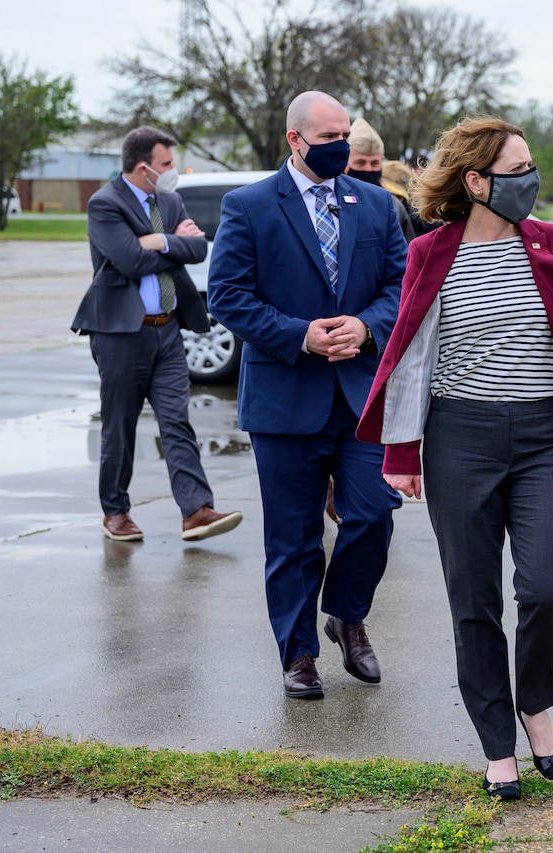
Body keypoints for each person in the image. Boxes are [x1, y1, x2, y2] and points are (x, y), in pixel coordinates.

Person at [355, 116, 553, 800]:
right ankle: (495, 740)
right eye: (516, 170)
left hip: (543, 440)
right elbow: (410, 356)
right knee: (472, 600)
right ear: (476, 181)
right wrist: (402, 451)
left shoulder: (552, 244)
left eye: (531, 167)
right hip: (460, 440)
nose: (530, 181)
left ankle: (535, 701)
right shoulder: (432, 253)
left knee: (543, 587)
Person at [206, 91, 407, 700]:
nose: (342, 146)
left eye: (346, 133)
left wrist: (367, 326)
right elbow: (228, 296)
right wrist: (302, 336)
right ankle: (298, 653)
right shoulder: (248, 206)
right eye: (329, 138)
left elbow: (403, 284)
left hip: (359, 398)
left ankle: (347, 614)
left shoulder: (374, 205)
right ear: (296, 141)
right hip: (285, 399)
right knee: (292, 537)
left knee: (373, 512)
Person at [72, 126, 243, 544]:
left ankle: (197, 511)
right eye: (167, 164)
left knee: (177, 421)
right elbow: (129, 261)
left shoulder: (169, 199)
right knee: (120, 424)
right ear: (144, 167)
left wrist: (156, 241)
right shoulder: (104, 204)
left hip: (168, 330)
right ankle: (115, 511)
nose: (173, 172)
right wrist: (167, 244)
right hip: (119, 333)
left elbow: (199, 248)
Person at [344, 117, 417, 244]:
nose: (368, 169)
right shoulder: (329, 198)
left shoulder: (394, 207)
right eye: (360, 163)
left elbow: (407, 256)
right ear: (345, 162)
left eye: (374, 163)